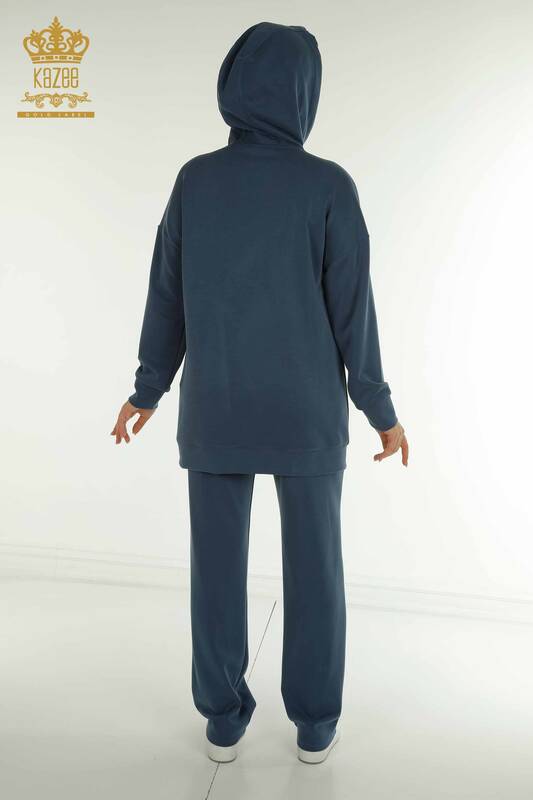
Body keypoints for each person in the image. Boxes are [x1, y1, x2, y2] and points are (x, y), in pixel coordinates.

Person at [111, 21, 408, 765]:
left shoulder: (196, 180)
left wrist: (147, 389)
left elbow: (166, 296)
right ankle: (314, 724)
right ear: (306, 93)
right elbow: (355, 314)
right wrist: (380, 411)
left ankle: (222, 720)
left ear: (232, 83)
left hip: (217, 407)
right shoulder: (328, 185)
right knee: (317, 572)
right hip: (306, 414)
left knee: (215, 571)